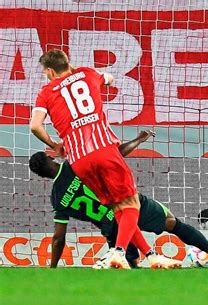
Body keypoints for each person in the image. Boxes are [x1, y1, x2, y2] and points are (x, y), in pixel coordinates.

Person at [30, 49, 158, 269]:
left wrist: (54, 145)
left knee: (117, 207)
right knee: (131, 203)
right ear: (67, 64)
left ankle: (152, 255)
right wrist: (87, 75)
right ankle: (118, 252)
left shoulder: (46, 92)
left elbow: (35, 125)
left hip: (78, 160)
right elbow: (109, 78)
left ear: (50, 71)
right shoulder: (88, 74)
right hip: (103, 149)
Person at [29, 130, 208, 269]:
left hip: (110, 227)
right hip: (124, 204)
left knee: (131, 263)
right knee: (172, 222)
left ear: (41, 176)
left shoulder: (57, 200)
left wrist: (52, 268)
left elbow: (58, 238)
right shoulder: (75, 164)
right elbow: (114, 155)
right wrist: (138, 140)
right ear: (51, 158)